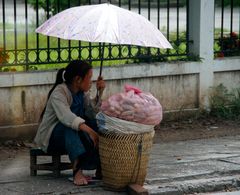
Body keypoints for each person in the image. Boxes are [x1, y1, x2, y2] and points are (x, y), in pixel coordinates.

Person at [34, 60, 105, 186]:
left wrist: (100, 92)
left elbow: (91, 113)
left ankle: (100, 169)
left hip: (74, 138)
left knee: (97, 123)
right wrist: (90, 131)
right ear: (78, 79)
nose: (91, 81)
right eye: (89, 78)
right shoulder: (59, 92)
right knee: (70, 128)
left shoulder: (82, 94)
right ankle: (77, 172)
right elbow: (66, 117)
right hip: (52, 139)